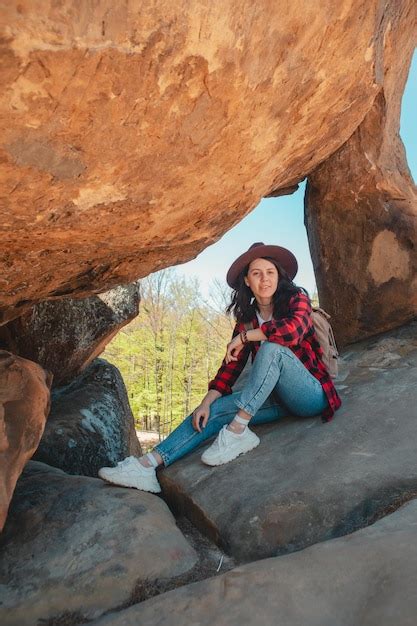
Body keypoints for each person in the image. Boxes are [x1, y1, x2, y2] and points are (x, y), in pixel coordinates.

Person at [98, 242, 342, 493]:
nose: (264, 279)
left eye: (270, 272)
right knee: (210, 412)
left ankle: (238, 431)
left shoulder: (296, 299)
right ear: (247, 281)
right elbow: (230, 369)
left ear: (279, 276)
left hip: (310, 394)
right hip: (274, 400)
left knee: (272, 349)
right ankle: (146, 466)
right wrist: (206, 402)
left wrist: (247, 337)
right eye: (257, 273)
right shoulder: (247, 319)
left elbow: (291, 333)